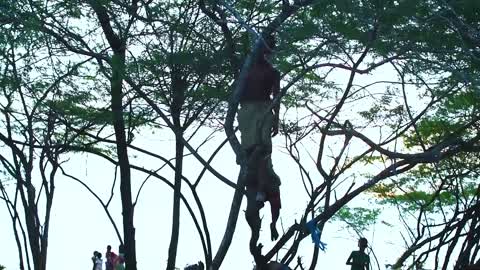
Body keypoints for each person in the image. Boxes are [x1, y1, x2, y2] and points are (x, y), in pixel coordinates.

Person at [237, 33, 282, 254]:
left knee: (261, 152)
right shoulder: (245, 67)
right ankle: (257, 237)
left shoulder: (272, 72)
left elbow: (276, 96)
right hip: (248, 110)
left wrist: (275, 118)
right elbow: (237, 92)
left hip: (263, 109)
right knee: (251, 153)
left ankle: (259, 237)